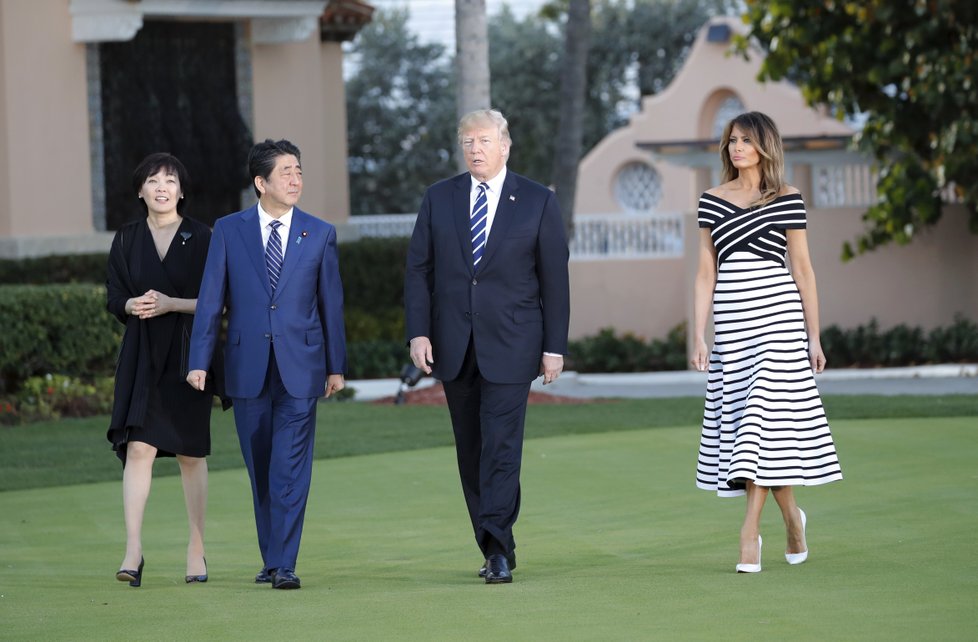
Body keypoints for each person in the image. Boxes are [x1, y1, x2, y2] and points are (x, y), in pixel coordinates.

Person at [404, 109, 570, 584]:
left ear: (504, 146)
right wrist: (419, 331)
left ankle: (497, 547)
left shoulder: (537, 201)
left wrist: (554, 346)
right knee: (471, 450)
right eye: (467, 142)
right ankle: (494, 540)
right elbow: (419, 270)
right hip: (453, 345)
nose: (474, 149)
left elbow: (554, 279)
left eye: (483, 140)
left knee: (501, 446)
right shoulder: (439, 199)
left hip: (514, 343)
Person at [186, 139, 346, 590]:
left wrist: (336, 366)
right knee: (261, 467)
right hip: (246, 367)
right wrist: (199, 360)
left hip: (302, 367)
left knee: (289, 468)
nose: (296, 180)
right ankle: (271, 557)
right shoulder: (229, 230)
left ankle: (285, 564)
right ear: (261, 182)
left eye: (299, 170)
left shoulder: (319, 232)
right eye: (286, 172)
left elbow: (330, 305)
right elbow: (211, 300)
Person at [691, 111, 843, 573]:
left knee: (760, 421)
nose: (736, 147)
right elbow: (704, 274)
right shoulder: (711, 200)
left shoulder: (788, 198)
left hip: (778, 322)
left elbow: (803, 270)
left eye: (746, 140)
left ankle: (748, 532)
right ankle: (792, 520)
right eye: (731, 140)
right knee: (756, 431)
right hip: (733, 326)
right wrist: (698, 334)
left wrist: (813, 336)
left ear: (764, 146)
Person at [106, 152, 227, 587]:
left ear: (181, 190)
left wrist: (172, 303)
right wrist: (129, 304)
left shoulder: (204, 236)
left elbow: (220, 300)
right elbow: (113, 295)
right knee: (139, 448)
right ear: (140, 190)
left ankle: (196, 546)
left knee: (191, 455)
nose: (162, 187)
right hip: (141, 356)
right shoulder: (126, 238)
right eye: (153, 181)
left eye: (170, 180)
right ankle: (133, 550)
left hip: (188, 355)